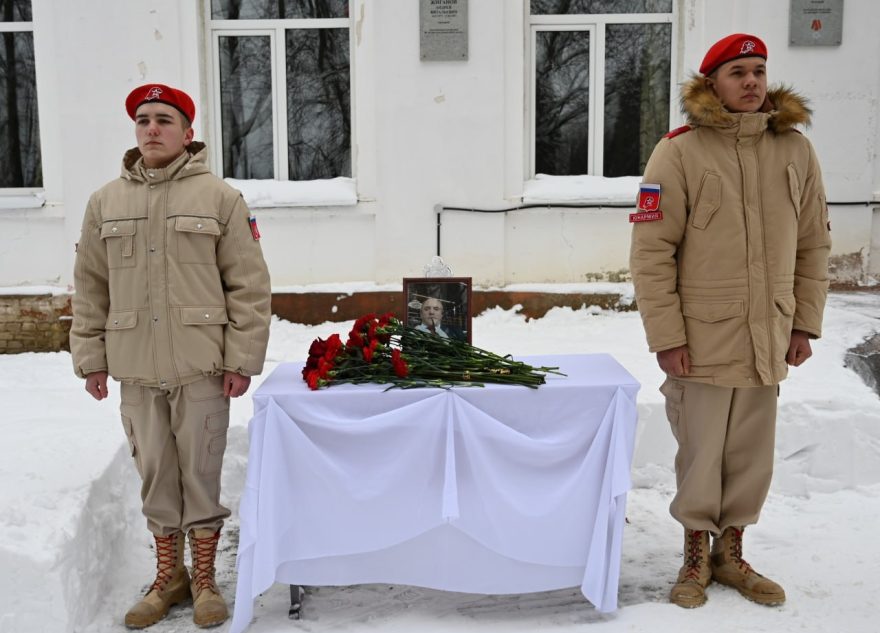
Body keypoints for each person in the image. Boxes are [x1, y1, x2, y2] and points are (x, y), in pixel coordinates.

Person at [629, 34, 830, 609]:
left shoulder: (795, 152)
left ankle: (731, 554)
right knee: (701, 450)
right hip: (702, 336)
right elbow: (650, 252)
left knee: (750, 452)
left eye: (759, 71)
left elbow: (814, 245)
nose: (750, 82)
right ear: (711, 83)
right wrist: (666, 337)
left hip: (770, 331)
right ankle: (695, 557)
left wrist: (803, 324)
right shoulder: (679, 151)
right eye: (737, 72)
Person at [70, 83, 271, 629]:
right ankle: (169, 578)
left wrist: (241, 360)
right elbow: (90, 286)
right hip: (135, 367)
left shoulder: (220, 199)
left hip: (202, 365)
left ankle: (205, 580)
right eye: (142, 120)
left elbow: (249, 287)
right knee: (156, 474)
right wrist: (90, 355)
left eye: (163, 119)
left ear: (188, 132)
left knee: (201, 475)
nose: (151, 128)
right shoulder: (105, 202)